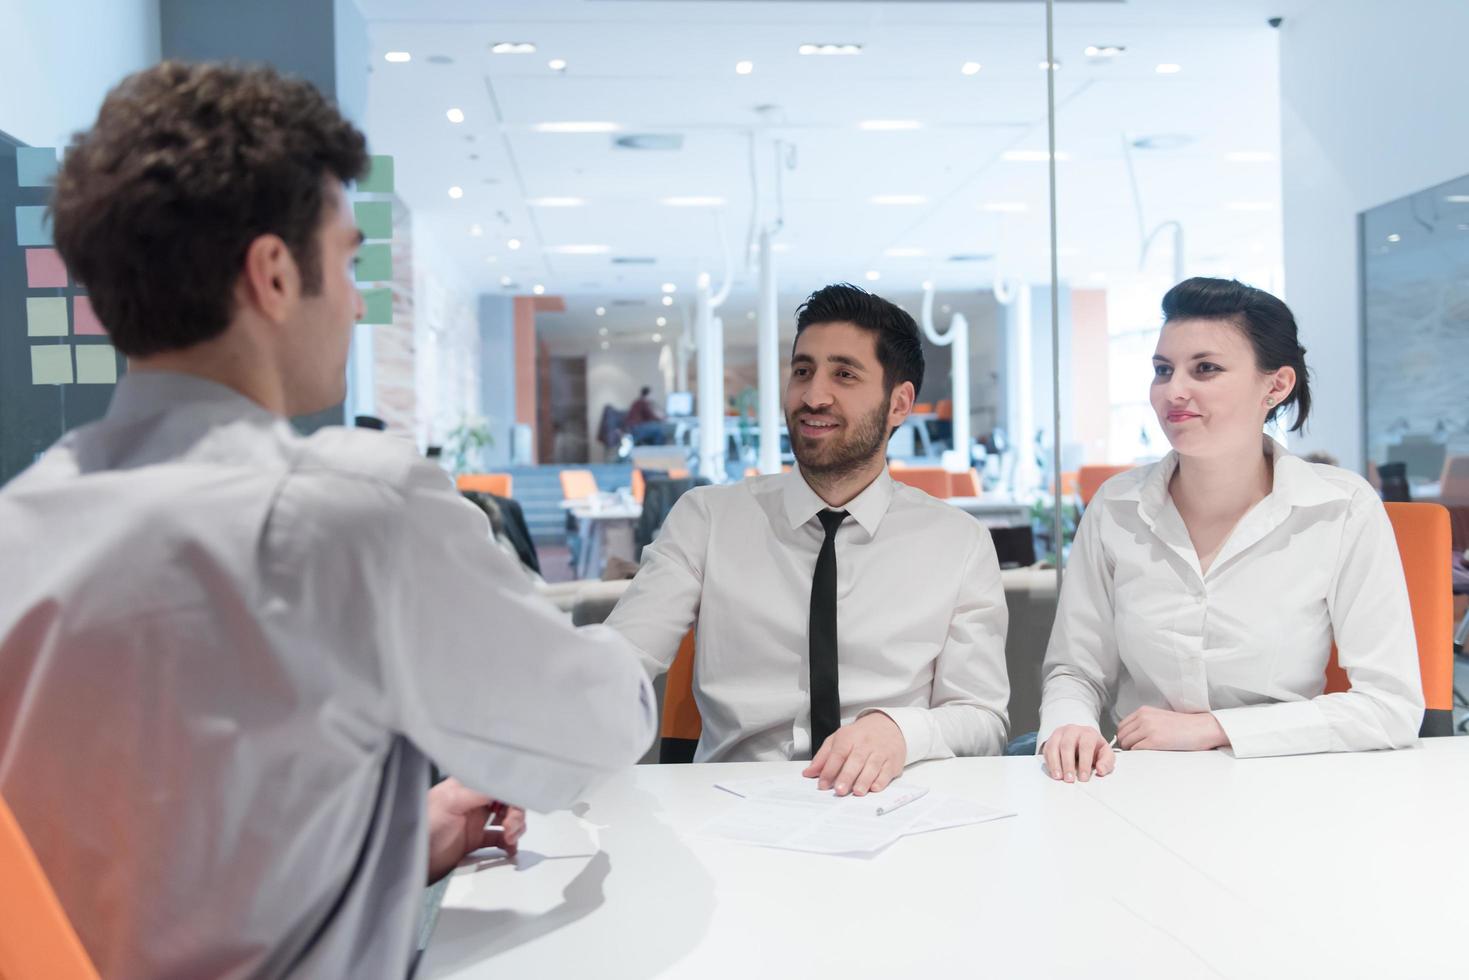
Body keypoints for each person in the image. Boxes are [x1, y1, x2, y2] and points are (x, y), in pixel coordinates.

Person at [0, 62, 654, 978]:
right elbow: (593, 732)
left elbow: (141, 856)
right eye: (346, 261)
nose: (354, 301)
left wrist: (392, 844)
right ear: (271, 274)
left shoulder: (19, 525)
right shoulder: (349, 511)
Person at [607, 283, 1010, 796]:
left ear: (899, 402)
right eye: (803, 371)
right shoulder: (707, 519)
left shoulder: (959, 542)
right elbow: (620, 662)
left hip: (892, 806)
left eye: (844, 374)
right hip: (732, 811)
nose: (813, 396)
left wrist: (901, 730)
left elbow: (983, 719)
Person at [1039, 277, 1423, 782]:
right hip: (1141, 782)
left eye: (1206, 369)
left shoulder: (1341, 509)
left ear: (1276, 385)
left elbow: (1389, 706)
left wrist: (1215, 728)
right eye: (1162, 370)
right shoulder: (1116, 507)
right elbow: (1076, 670)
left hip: (1287, 781)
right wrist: (1070, 726)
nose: (1174, 391)